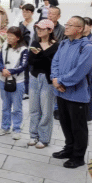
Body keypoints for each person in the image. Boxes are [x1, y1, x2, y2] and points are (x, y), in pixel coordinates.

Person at [50, 16, 92, 169]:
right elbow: (55, 62)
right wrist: (55, 79)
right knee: (65, 124)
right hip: (61, 92)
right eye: (66, 24)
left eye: (70, 25)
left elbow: (80, 71)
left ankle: (78, 156)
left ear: (80, 29)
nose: (66, 27)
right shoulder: (63, 43)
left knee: (78, 127)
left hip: (77, 95)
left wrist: (61, 81)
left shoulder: (87, 47)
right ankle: (69, 148)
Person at [28, 20, 60, 149]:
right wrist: (44, 57)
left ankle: (44, 138)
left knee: (46, 111)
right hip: (34, 77)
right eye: (37, 28)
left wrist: (40, 55)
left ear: (50, 30)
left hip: (48, 80)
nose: (39, 31)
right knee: (34, 109)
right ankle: (33, 135)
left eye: (42, 29)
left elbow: (53, 65)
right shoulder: (35, 43)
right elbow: (31, 61)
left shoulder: (57, 46)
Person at [0, 27, 29, 140]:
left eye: (11, 36)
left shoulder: (23, 49)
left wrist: (10, 71)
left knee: (17, 107)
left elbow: (23, 65)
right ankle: (5, 127)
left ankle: (17, 129)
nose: (8, 37)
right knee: (5, 105)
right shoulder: (5, 45)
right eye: (8, 35)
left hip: (17, 82)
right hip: (3, 80)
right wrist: (2, 69)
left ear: (18, 38)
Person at [83, 17, 92, 123]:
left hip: (89, 70)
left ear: (91, 26)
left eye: (86, 24)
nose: (84, 27)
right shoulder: (79, 37)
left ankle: (88, 116)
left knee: (89, 92)